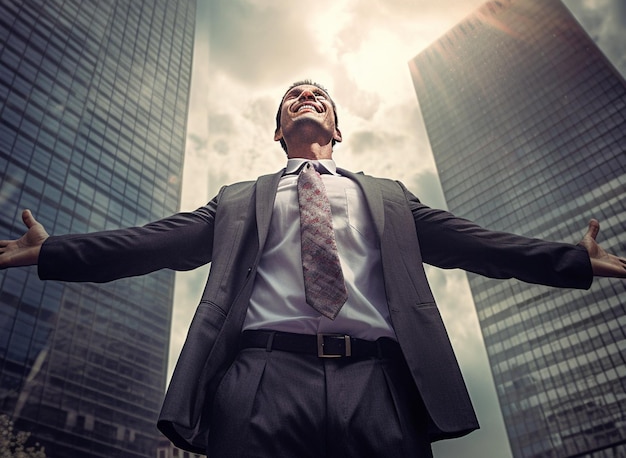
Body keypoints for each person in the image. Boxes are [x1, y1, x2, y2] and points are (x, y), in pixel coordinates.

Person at [1, 79, 625, 458]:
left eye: (319, 97)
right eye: (292, 98)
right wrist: (51, 251)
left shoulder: (388, 196)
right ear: (278, 131)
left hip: (381, 386)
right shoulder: (239, 199)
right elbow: (152, 242)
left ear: (336, 127)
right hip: (260, 380)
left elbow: (475, 243)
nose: (307, 99)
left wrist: (572, 261)